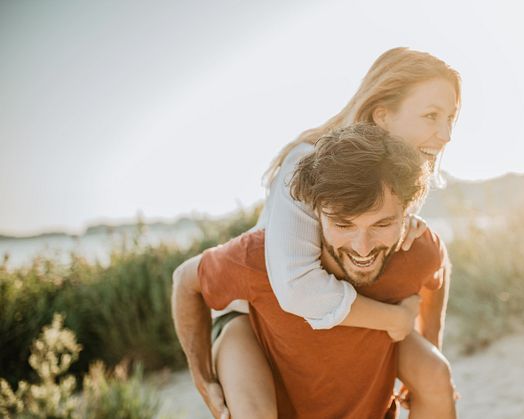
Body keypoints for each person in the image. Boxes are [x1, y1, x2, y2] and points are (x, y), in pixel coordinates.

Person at [173, 47, 461, 418]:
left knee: (435, 374)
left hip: (340, 313)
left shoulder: (399, 175)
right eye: (431, 116)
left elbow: (433, 264)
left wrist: (425, 342)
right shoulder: (309, 165)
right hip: (254, 310)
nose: (447, 134)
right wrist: (397, 321)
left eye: (451, 118)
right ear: (382, 116)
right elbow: (295, 289)